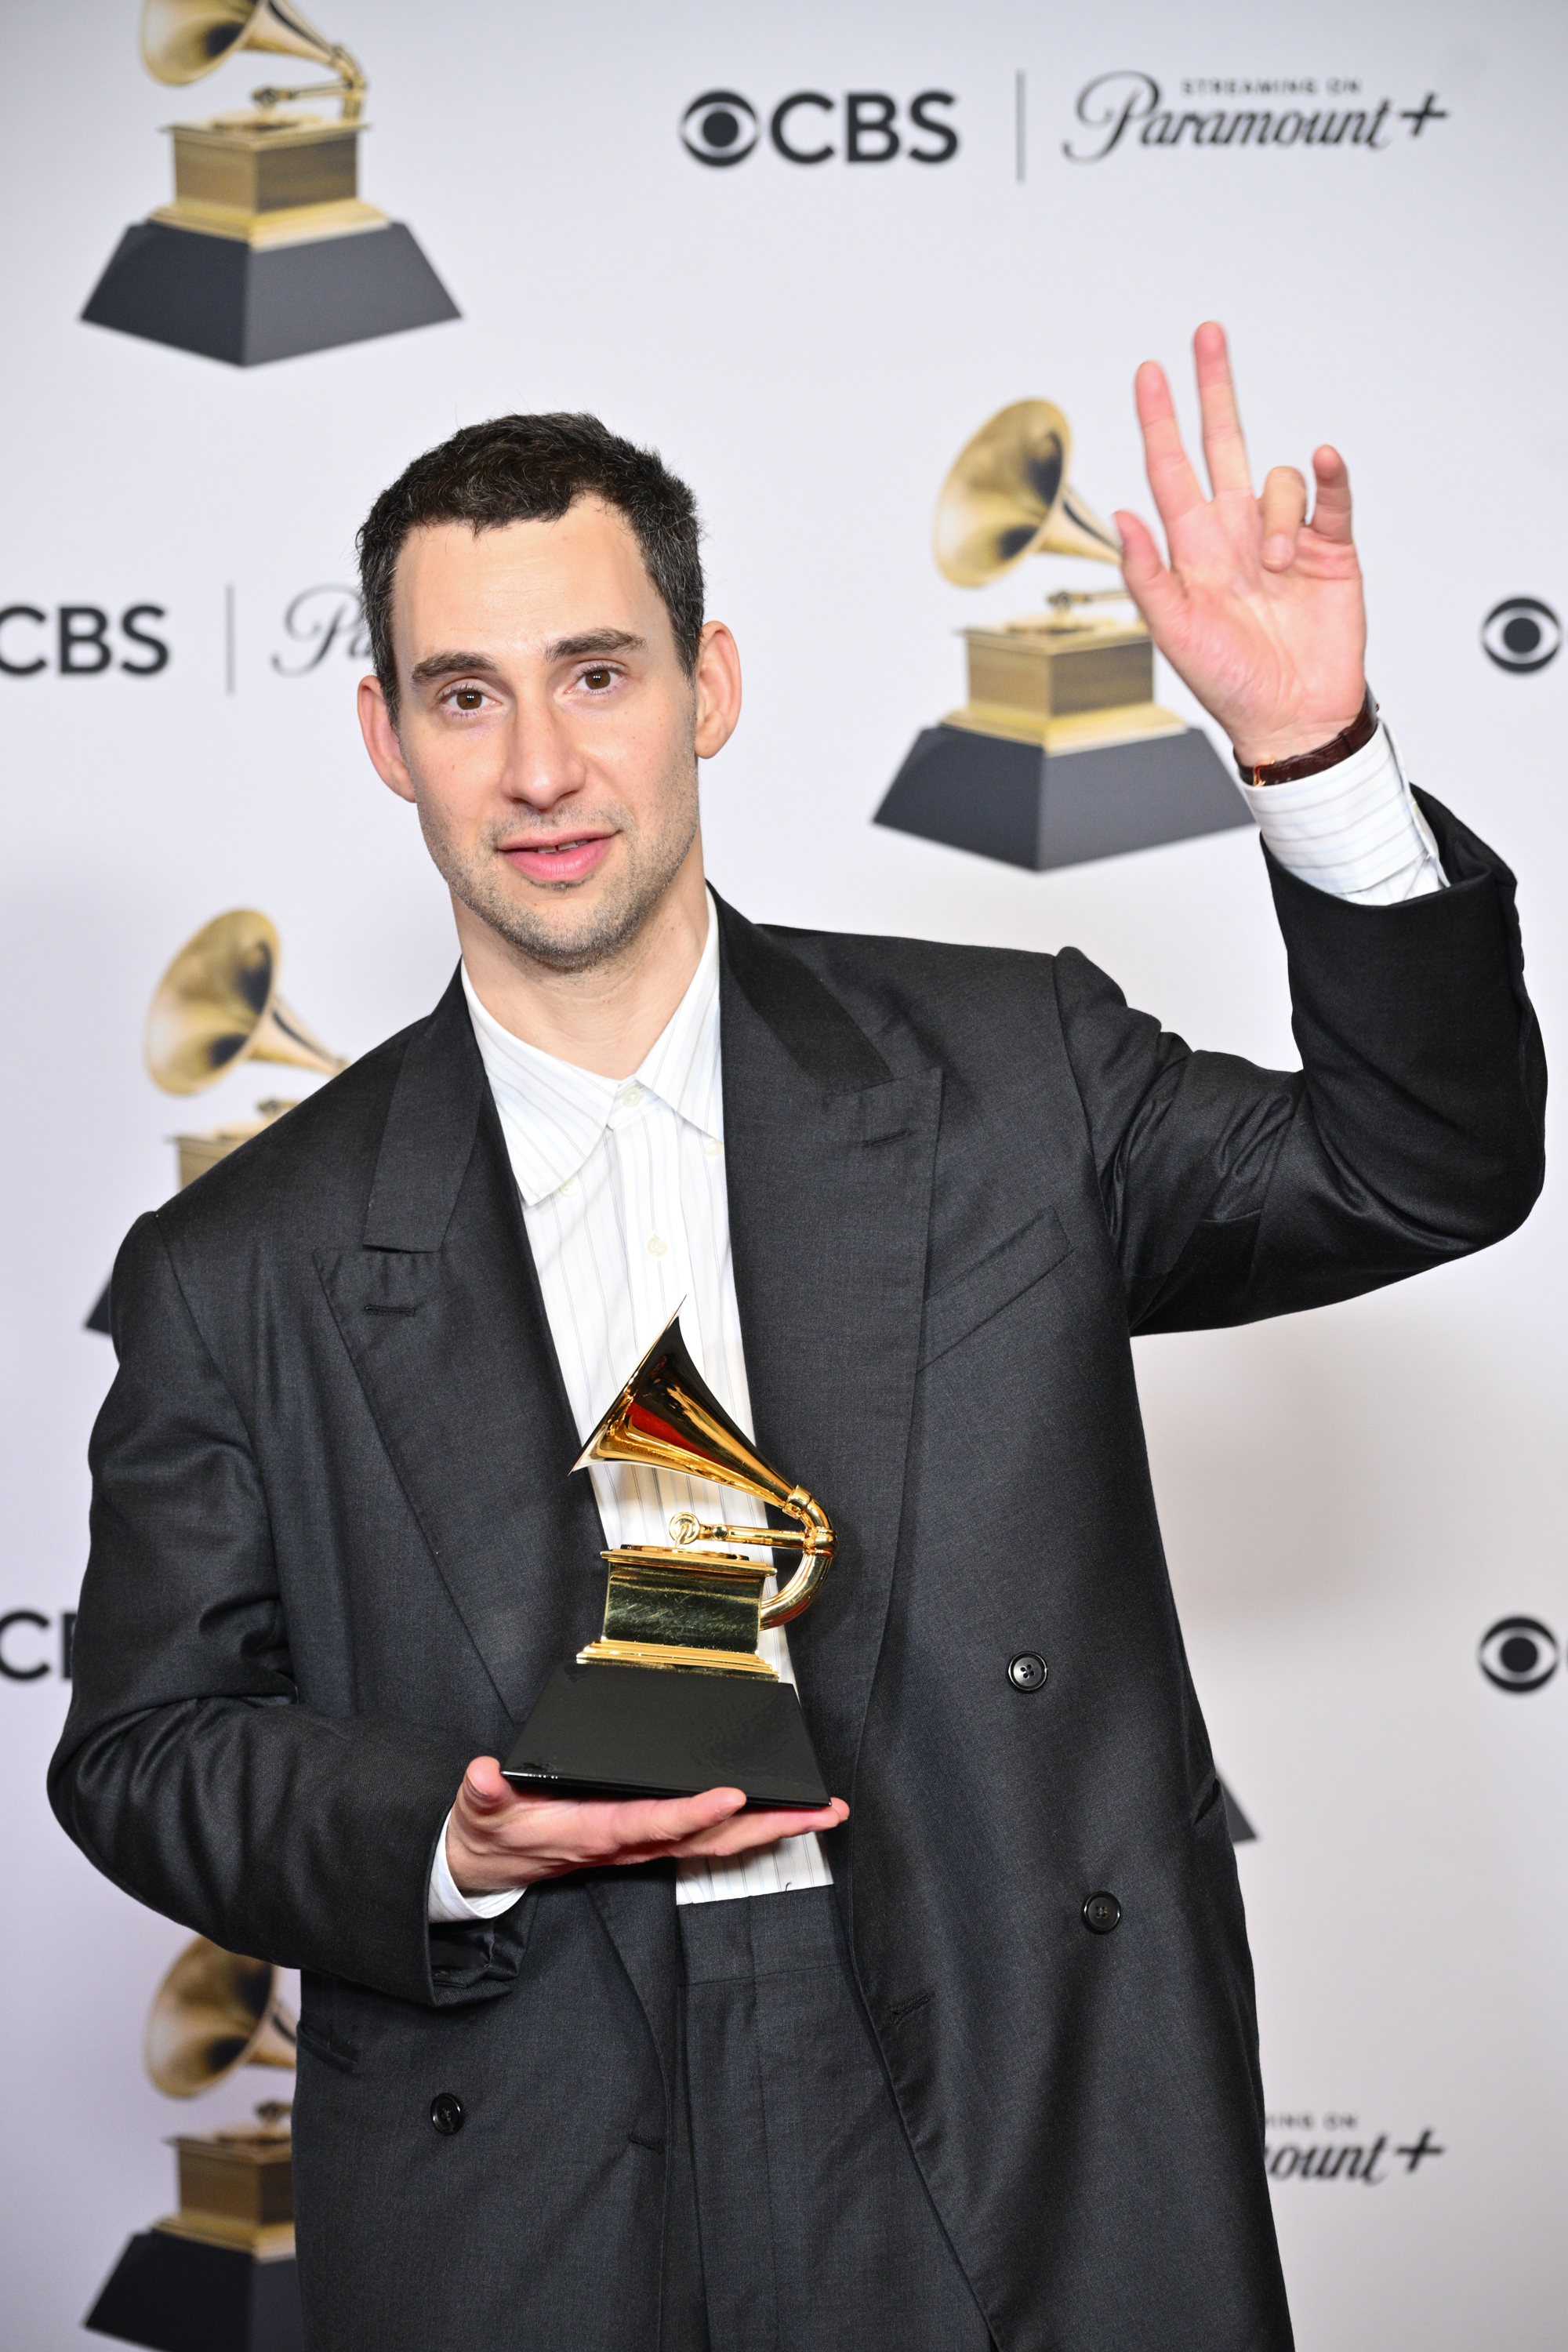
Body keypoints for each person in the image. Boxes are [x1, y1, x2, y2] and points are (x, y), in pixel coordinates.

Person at [52, 326, 1543, 2352]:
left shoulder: (1014, 1077)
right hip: (530, 2134)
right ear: (388, 741)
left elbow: (1425, 1163)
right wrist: (440, 1830)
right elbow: (142, 1750)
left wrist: (1316, 755)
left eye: (598, 674)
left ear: (708, 688)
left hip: (1017, 2094)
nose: (544, 768)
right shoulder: (241, 1262)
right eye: (464, 698)